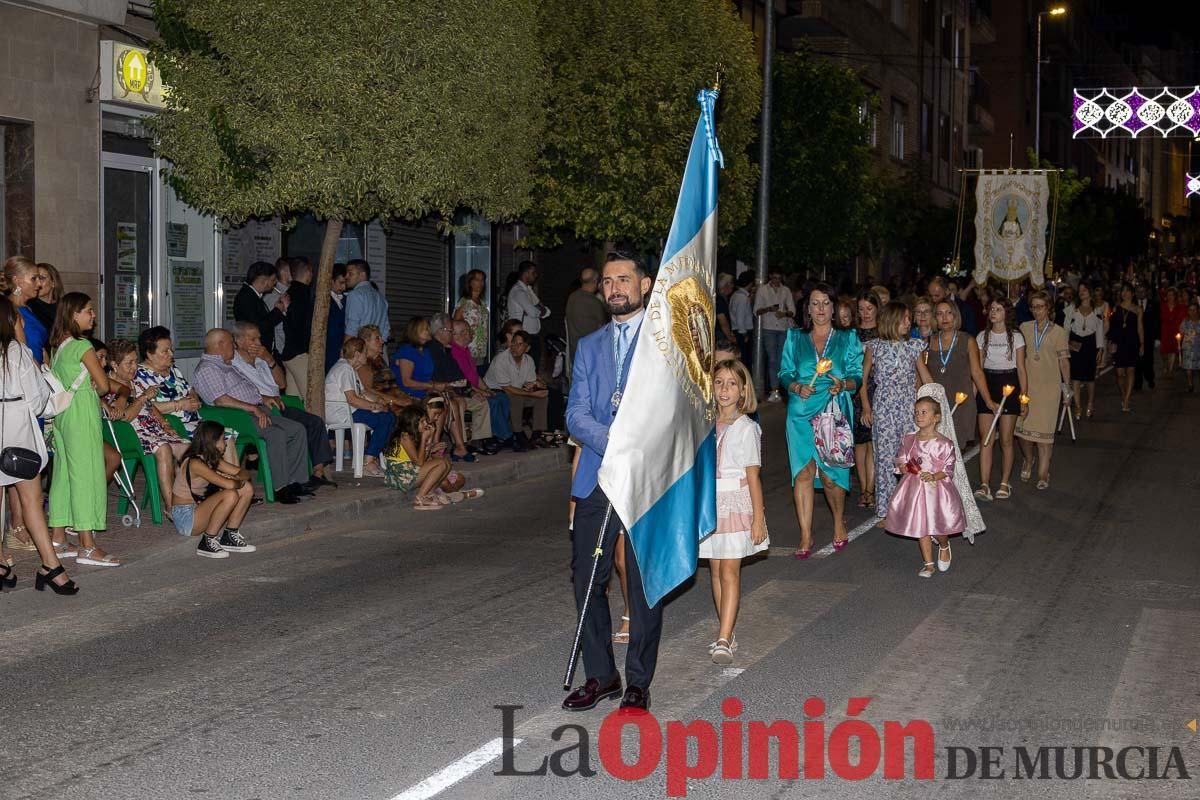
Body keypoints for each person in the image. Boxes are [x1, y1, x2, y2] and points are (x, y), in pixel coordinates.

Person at [563, 252, 660, 714]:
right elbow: (575, 412)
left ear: (644, 285)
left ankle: (639, 680)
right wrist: (611, 439)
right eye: (607, 281)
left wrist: (634, 445)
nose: (615, 287)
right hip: (598, 473)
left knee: (642, 583)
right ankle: (601, 675)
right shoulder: (589, 345)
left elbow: (678, 414)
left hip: (647, 477)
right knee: (587, 578)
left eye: (624, 279)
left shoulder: (665, 344)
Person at [779, 283, 864, 559]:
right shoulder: (794, 337)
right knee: (803, 472)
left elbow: (856, 375)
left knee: (830, 475)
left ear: (834, 307)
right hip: (800, 411)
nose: (820, 309)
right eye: (815, 303)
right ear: (807, 308)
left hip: (833, 408)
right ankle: (806, 533)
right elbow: (785, 373)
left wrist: (845, 384)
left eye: (826, 303)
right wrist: (795, 387)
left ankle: (839, 520)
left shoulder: (847, 337)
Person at [0, 297, 77, 594]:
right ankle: (51, 565)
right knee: (32, 501)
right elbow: (37, 399)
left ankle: (3, 564)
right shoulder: (17, 352)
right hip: (18, 435)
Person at [192, 329, 316, 504]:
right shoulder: (208, 368)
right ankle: (281, 487)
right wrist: (252, 408)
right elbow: (221, 400)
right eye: (231, 343)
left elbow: (244, 391)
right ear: (220, 345)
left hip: (255, 410)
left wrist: (264, 399)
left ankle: (296, 482)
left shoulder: (225, 365)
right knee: (275, 434)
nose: (234, 347)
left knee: (296, 429)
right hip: (235, 416)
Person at [700, 359, 768, 666]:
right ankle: (726, 628)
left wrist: (758, 517)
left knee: (729, 570)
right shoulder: (704, 424)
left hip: (735, 504)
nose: (724, 389)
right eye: (718, 382)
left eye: (731, 383)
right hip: (709, 504)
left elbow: (753, 476)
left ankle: (724, 638)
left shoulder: (747, 427)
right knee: (714, 569)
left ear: (742, 390)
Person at [48, 293, 119, 567]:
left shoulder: (59, 345)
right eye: (88, 310)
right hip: (81, 415)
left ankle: (58, 537)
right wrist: (97, 384)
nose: (93, 316)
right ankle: (88, 546)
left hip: (63, 416)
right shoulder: (82, 345)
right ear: (73, 314)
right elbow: (103, 384)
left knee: (64, 475)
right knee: (86, 476)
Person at [231, 322, 336, 486]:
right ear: (238, 341)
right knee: (295, 428)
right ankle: (290, 482)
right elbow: (237, 392)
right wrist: (263, 398)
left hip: (277, 405)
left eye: (259, 338)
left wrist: (270, 360)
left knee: (315, 422)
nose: (258, 343)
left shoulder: (262, 358)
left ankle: (317, 473)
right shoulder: (232, 363)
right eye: (252, 339)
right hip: (258, 408)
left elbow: (281, 384)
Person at [860, 302, 933, 526]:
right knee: (885, 459)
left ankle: (913, 505)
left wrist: (935, 398)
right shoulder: (875, 346)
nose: (908, 322)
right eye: (904, 319)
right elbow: (862, 380)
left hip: (909, 408)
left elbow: (925, 376)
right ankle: (887, 510)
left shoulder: (914, 346)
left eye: (908, 318)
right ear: (892, 321)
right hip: (884, 408)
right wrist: (866, 407)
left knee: (912, 458)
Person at [104, 337, 189, 512]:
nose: (135, 367)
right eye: (129, 363)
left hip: (152, 430)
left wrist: (164, 422)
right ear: (114, 365)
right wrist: (143, 397)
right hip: (131, 435)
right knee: (164, 448)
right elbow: (125, 417)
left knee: (188, 448)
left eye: (135, 361)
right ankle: (170, 506)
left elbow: (150, 407)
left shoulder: (135, 382)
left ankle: (186, 499)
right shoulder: (108, 387)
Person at [884, 397, 966, 578]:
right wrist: (903, 466)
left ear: (936, 417)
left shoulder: (944, 443)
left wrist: (934, 475)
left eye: (924, 412)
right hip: (914, 488)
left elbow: (948, 468)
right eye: (916, 412)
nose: (919, 416)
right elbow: (901, 458)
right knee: (921, 524)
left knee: (937, 526)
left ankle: (944, 544)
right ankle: (928, 564)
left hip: (935, 489)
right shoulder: (910, 439)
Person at [172, 421, 257, 558]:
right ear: (213, 442)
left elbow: (243, 473)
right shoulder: (195, 463)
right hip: (185, 517)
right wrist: (231, 479)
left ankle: (229, 536)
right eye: (223, 439)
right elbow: (229, 485)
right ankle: (208, 541)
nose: (225, 443)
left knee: (247, 488)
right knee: (230, 495)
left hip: (198, 508)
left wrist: (236, 480)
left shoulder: (211, 459)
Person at [1016, 291, 1071, 490]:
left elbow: (1064, 362)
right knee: (1023, 434)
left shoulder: (1059, 332)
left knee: (1045, 436)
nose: (1037, 310)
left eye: (1041, 306)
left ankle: (1043, 471)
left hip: (1049, 389)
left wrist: (1067, 387)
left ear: (1048, 308)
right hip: (1027, 387)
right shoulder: (1024, 328)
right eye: (1034, 307)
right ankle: (1028, 460)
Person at [974, 296, 1027, 502]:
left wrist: (1023, 399)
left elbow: (1021, 369)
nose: (994, 312)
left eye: (998, 309)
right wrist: (976, 394)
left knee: (1006, 439)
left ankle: (1005, 483)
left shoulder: (1016, 337)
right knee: (986, 439)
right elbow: (977, 369)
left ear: (1007, 313)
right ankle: (985, 484)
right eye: (992, 308)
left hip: (1009, 384)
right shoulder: (981, 337)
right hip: (988, 384)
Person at [326, 338, 395, 477]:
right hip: (341, 411)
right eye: (364, 353)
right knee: (385, 419)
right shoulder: (344, 368)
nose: (366, 356)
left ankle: (374, 457)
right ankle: (368, 461)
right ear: (357, 354)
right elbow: (352, 399)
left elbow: (363, 393)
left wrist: (381, 402)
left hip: (349, 409)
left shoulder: (351, 369)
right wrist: (374, 406)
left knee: (389, 416)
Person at [929, 300, 986, 450]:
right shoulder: (928, 342)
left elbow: (977, 373)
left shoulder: (968, 340)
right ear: (935, 318)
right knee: (936, 451)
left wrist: (988, 401)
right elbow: (921, 375)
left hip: (960, 403)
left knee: (954, 452)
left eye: (948, 313)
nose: (944, 318)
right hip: (936, 404)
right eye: (939, 314)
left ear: (955, 316)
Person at [451, 319, 513, 448]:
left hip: (474, 388)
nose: (469, 333)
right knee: (493, 402)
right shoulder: (454, 352)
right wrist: (482, 392)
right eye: (465, 331)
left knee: (502, 397)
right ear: (455, 335)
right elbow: (463, 382)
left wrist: (487, 389)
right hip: (463, 391)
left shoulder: (465, 350)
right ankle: (506, 436)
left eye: (468, 330)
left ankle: (498, 434)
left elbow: (475, 375)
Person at [484, 330, 550, 450]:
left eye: (520, 344)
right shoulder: (501, 359)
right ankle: (518, 434)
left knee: (543, 398)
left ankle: (536, 435)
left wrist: (537, 387)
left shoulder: (528, 360)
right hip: (496, 391)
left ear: (527, 348)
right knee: (517, 398)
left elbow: (529, 382)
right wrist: (534, 394)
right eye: (514, 343)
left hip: (516, 389)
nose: (515, 347)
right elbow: (507, 389)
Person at [852, 291, 880, 510]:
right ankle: (863, 488)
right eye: (861, 309)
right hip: (855, 392)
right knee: (858, 442)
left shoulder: (883, 333)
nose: (865, 313)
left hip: (877, 390)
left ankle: (870, 489)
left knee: (873, 441)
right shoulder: (852, 334)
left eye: (869, 308)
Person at [754, 269, 796, 401]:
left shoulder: (786, 290)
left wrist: (784, 313)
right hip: (769, 328)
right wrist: (769, 309)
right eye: (774, 278)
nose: (777, 280)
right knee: (772, 359)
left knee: (781, 359)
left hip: (783, 327)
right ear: (770, 277)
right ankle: (774, 389)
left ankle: (780, 388)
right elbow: (756, 310)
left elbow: (792, 311)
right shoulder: (763, 290)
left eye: (779, 278)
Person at [1064, 282, 1104, 419]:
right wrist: (1066, 344)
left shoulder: (1097, 310)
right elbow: (1066, 329)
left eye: (1085, 289)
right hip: (1075, 344)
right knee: (1075, 377)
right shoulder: (1072, 308)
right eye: (1080, 290)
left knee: (1089, 378)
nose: (1081, 292)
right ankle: (1078, 407)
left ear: (1090, 292)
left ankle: (1090, 404)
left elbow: (1099, 331)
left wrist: (1100, 349)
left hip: (1090, 344)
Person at [233, 261, 289, 358]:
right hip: (254, 352)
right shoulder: (246, 298)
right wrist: (278, 310)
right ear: (264, 280)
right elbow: (258, 327)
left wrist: (278, 309)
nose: (275, 283)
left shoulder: (253, 296)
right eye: (273, 279)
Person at [355, 324, 413, 413]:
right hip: (386, 407)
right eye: (377, 338)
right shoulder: (364, 365)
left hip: (398, 402)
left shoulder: (379, 360)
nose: (382, 341)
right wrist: (396, 401)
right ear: (366, 342)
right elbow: (367, 391)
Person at [280, 257, 315, 398]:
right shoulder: (302, 294)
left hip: (288, 352)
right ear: (308, 272)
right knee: (311, 398)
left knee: (294, 398)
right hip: (300, 353)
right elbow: (302, 326)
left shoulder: (290, 292)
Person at [506, 260, 550, 367]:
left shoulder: (528, 290)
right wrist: (535, 310)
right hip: (524, 335)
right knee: (525, 368)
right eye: (533, 273)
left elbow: (546, 311)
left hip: (532, 335)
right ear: (526, 273)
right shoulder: (518, 291)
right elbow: (533, 311)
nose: (536, 275)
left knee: (533, 367)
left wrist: (534, 310)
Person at [1107, 282, 1143, 413]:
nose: (1125, 293)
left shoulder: (1138, 309)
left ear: (1132, 293)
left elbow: (1140, 327)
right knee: (1120, 374)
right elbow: (1112, 327)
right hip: (1119, 342)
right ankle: (1124, 394)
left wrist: (1142, 343)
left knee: (1131, 371)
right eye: (1123, 290)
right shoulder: (1116, 308)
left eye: (1127, 291)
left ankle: (1126, 400)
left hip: (1132, 342)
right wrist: (1110, 341)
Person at [565, 267, 608, 368]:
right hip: (592, 354)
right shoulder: (594, 302)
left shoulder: (572, 297)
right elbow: (603, 328)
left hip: (575, 351)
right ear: (596, 281)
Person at [344, 259, 390, 343]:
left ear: (362, 275)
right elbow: (386, 330)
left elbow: (352, 329)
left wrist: (345, 354)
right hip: (374, 352)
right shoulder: (382, 299)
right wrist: (376, 347)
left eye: (350, 273)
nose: (346, 277)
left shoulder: (355, 295)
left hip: (358, 351)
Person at [454, 269, 492, 366]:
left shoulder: (482, 303)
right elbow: (455, 323)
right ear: (470, 282)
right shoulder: (465, 302)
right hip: (468, 348)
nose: (480, 283)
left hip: (481, 349)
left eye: (482, 280)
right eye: (477, 279)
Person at [1134, 283, 1158, 391]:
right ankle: (1137, 383)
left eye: (1142, 291)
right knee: (1136, 361)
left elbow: (1157, 322)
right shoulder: (1132, 304)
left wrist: (1157, 338)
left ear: (1146, 292)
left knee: (1148, 360)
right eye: (1138, 291)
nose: (1140, 293)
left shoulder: (1153, 304)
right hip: (1135, 337)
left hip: (1148, 337)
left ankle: (1150, 379)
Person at [326, 263, 348, 372]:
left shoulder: (347, 300)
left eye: (345, 283)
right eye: (341, 283)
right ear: (331, 281)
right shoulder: (322, 300)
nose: (344, 287)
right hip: (328, 352)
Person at [1159, 286, 1186, 376]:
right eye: (1169, 295)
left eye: (1172, 295)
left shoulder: (1179, 306)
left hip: (1175, 329)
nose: (1170, 297)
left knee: (1173, 350)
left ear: (1175, 296)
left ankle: (1170, 370)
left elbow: (1182, 317)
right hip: (1165, 330)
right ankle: (1166, 365)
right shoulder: (1163, 306)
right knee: (1164, 350)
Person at [29, 261, 63, 332]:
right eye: (34, 278)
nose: (37, 283)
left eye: (42, 278)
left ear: (53, 283)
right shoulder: (29, 306)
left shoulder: (63, 306)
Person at [1179, 301, 1200, 392]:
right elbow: (1181, 332)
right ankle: (1190, 383)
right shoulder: (1185, 322)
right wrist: (1179, 338)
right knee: (1188, 367)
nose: (1192, 312)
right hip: (1188, 347)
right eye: (1190, 310)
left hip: (1198, 347)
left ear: (1198, 311)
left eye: (1194, 310)